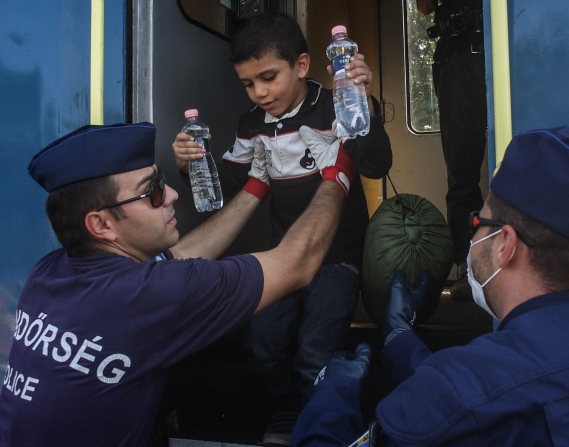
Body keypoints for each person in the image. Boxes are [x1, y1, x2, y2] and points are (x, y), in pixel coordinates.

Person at [0, 120, 359, 447]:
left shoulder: (49, 272)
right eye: (153, 191)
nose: (171, 194)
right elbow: (297, 262)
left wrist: (256, 185)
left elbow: (179, 259)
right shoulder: (149, 296)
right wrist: (337, 172)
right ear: (102, 225)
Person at [292, 126, 569, 446]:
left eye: (478, 222)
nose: (474, 236)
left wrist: (332, 394)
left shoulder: (454, 393)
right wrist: (400, 337)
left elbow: (461, 396)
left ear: (505, 245)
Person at [172, 12, 392, 446]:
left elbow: (376, 163)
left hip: (338, 255)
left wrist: (365, 105)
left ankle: (325, 423)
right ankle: (290, 407)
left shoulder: (336, 105)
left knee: (316, 349)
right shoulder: (252, 124)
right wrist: (189, 164)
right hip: (281, 255)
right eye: (248, 84)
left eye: (268, 77)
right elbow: (229, 185)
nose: (259, 92)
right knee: (263, 342)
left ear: (303, 66)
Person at [414, 0, 487, 301]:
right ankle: (468, 270)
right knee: (461, 166)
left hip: (514, 43)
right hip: (458, 52)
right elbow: (424, 5)